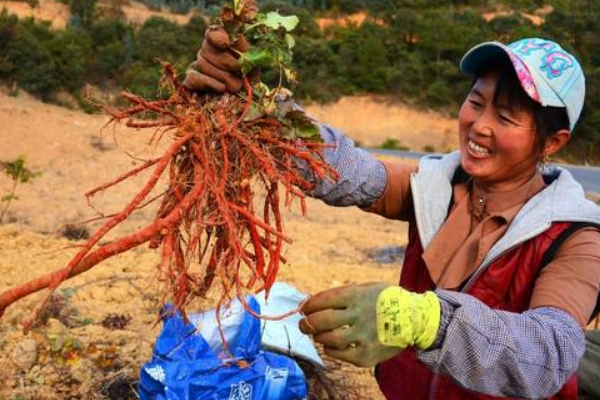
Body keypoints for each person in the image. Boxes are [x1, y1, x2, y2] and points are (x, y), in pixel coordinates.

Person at [184, 30, 600, 400]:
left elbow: (551, 351)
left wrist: (425, 321)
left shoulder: (575, 236)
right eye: (476, 102)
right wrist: (263, 111)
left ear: (553, 142)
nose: (479, 126)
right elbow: (353, 171)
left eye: (506, 116)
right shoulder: (439, 185)